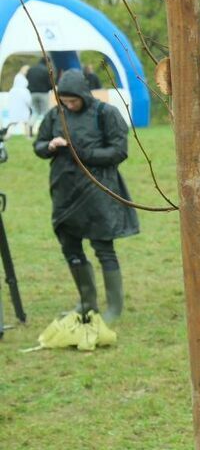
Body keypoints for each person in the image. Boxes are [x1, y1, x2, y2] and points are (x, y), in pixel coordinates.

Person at [33, 69, 138, 323]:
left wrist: (84, 153)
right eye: (65, 101)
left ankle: (114, 307)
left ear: (83, 94)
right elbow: (38, 145)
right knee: (70, 246)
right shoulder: (55, 115)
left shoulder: (105, 114)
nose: (69, 105)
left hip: (98, 190)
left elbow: (119, 151)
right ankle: (87, 302)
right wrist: (50, 146)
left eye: (73, 101)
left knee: (103, 247)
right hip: (64, 191)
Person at [7, 65, 33, 134]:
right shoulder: (24, 90)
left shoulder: (13, 90)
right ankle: (28, 135)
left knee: (13, 122)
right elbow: (28, 101)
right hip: (23, 107)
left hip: (15, 107)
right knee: (26, 121)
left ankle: (8, 135)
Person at [26, 58, 52, 127]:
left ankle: (30, 127)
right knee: (45, 112)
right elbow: (49, 83)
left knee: (36, 112)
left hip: (33, 93)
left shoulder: (31, 69)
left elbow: (27, 79)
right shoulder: (46, 70)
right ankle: (46, 128)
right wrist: (51, 88)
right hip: (43, 93)